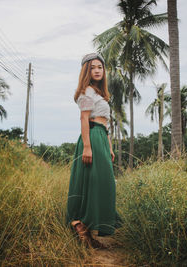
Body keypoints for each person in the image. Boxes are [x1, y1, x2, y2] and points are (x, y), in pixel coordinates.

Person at [66, 53, 121, 248]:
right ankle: (80, 225)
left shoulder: (99, 93)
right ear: (86, 71)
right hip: (91, 137)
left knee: (103, 184)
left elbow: (105, 124)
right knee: (93, 182)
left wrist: (110, 146)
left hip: (101, 137)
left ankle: (87, 232)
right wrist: (87, 147)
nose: (97, 70)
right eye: (93, 67)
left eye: (100, 66)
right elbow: (84, 120)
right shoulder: (86, 91)